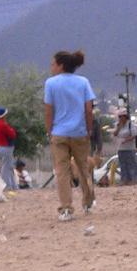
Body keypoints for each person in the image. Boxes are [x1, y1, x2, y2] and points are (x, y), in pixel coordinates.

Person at [43, 49, 96, 221]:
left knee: (62, 172)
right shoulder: (83, 82)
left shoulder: (50, 84)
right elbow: (89, 109)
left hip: (59, 133)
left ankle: (66, 208)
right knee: (83, 169)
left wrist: (49, 130)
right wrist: (89, 129)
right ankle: (88, 202)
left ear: (61, 65)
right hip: (80, 132)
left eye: (53, 64)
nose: (51, 67)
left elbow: (48, 110)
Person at [0, 106, 18, 192]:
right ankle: (6, 185)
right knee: (6, 167)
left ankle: (13, 185)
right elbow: (12, 134)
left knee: (8, 166)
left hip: (0, 146)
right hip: (6, 147)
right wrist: (12, 130)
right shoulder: (3, 124)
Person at [115, 110, 137, 186]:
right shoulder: (118, 125)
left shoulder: (130, 125)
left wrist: (126, 140)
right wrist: (118, 127)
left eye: (121, 117)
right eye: (119, 117)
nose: (120, 118)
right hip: (120, 148)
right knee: (123, 165)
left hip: (129, 148)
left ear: (125, 117)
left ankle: (134, 179)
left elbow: (134, 135)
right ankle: (124, 180)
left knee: (132, 164)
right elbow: (115, 134)